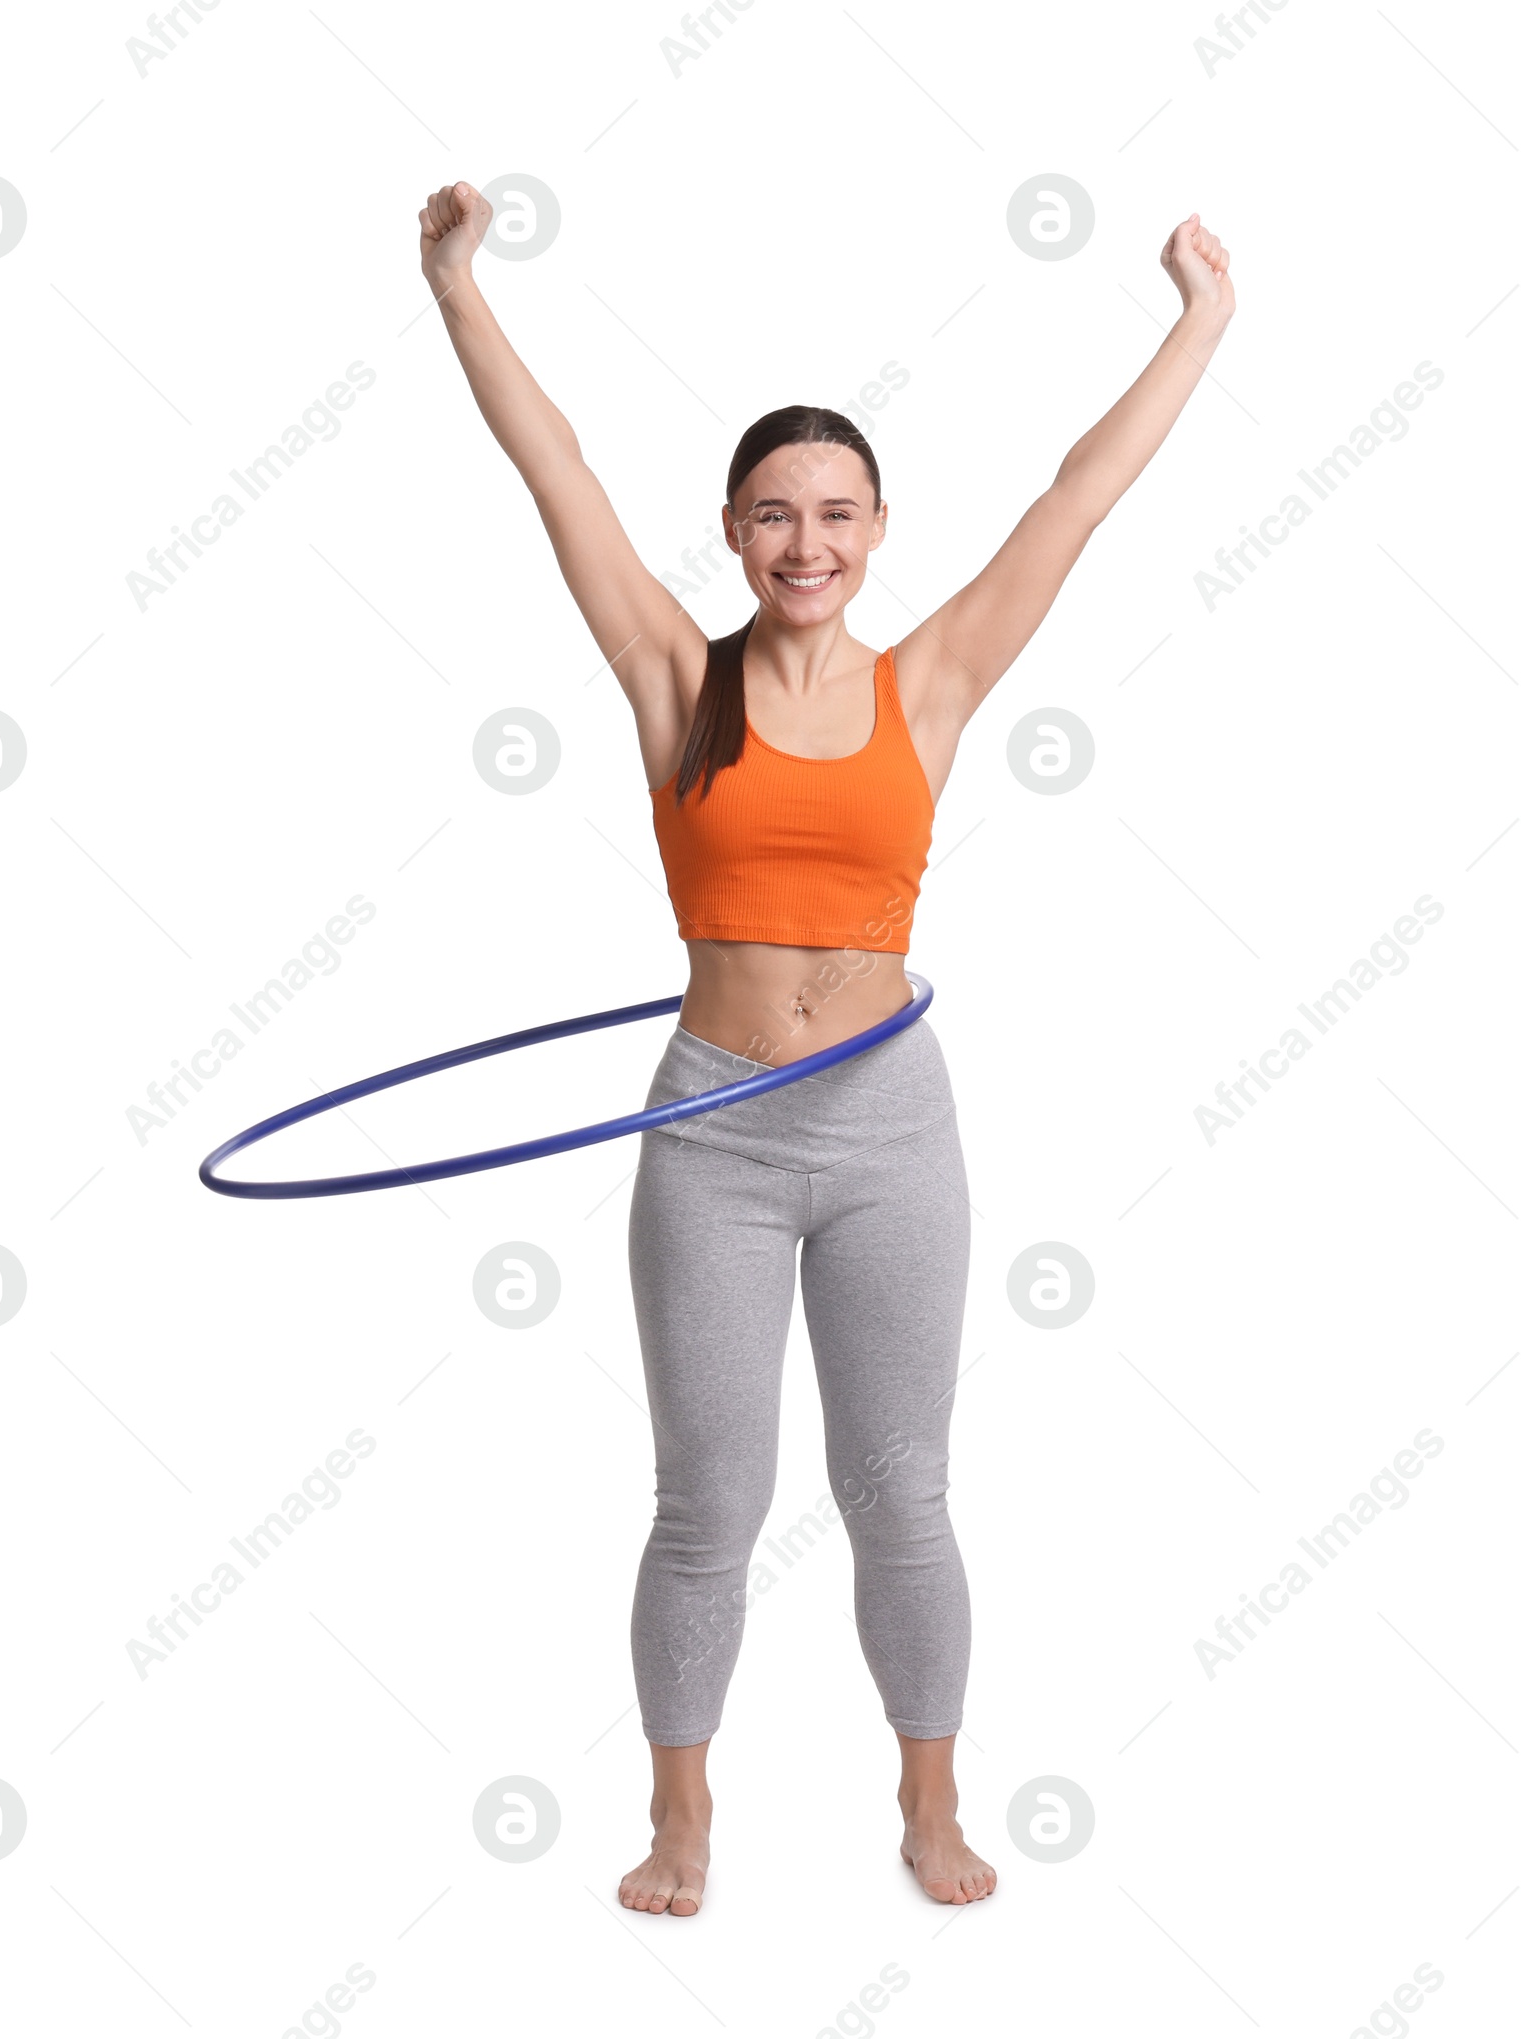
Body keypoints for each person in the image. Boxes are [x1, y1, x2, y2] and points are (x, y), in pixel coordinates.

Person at [417, 182, 1234, 1914]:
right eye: (777, 515)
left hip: (886, 1130)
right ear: (733, 529)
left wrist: (1201, 323)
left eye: (838, 517)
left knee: (901, 1493)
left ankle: (931, 1805)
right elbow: (551, 466)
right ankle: (682, 1820)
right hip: (714, 1129)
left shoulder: (929, 682)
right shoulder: (670, 679)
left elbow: (1076, 503)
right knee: (707, 1499)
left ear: (876, 532)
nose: (807, 545)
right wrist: (456, 285)